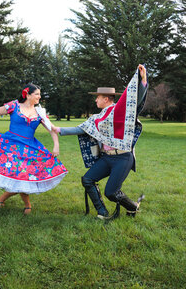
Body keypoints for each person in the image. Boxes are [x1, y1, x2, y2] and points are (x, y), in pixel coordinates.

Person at [53, 64, 148, 220]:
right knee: (88, 179)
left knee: (111, 192)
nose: (95, 99)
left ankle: (132, 207)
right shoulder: (97, 117)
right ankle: (102, 212)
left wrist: (142, 80)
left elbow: (135, 101)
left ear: (106, 99)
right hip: (107, 157)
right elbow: (81, 129)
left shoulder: (120, 111)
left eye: (97, 97)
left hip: (122, 158)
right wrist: (57, 129)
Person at [0, 84, 68, 215]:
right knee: (20, 175)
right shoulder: (14, 105)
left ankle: (2, 199)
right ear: (28, 95)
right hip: (10, 146)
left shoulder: (39, 112)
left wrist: (56, 145)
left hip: (29, 148)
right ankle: (26, 204)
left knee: (24, 175)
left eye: (40, 94)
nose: (39, 97)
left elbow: (52, 129)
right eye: (37, 94)